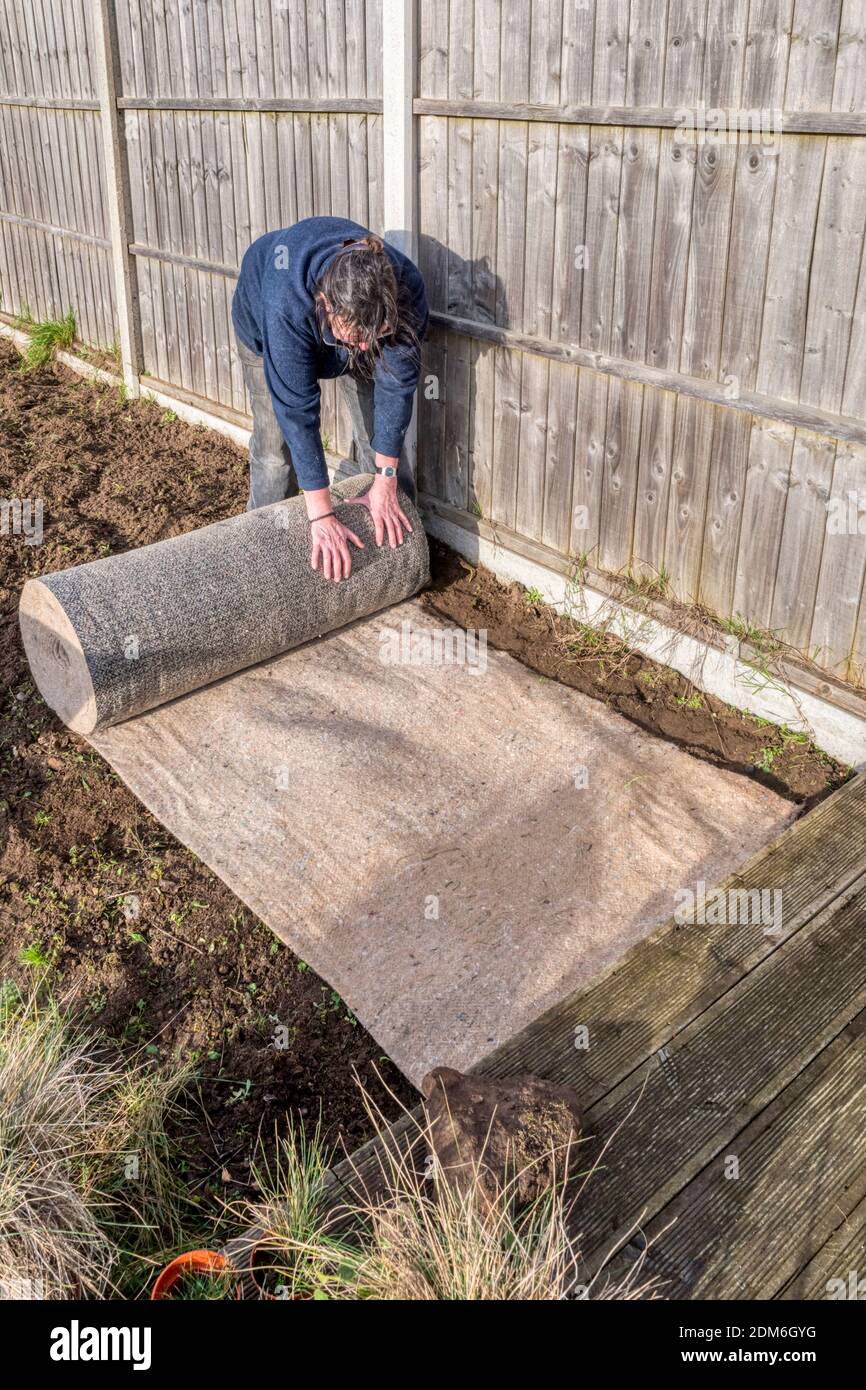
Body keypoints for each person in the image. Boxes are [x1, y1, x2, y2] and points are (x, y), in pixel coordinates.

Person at [231, 216, 428, 582]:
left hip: (352, 317)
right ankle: (260, 557)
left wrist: (385, 479)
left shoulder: (405, 285)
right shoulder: (285, 301)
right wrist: (322, 516)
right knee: (276, 451)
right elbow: (298, 412)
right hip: (263, 329)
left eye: (377, 333)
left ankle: (397, 556)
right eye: (354, 336)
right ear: (325, 303)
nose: (365, 346)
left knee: (382, 445)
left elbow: (397, 385)